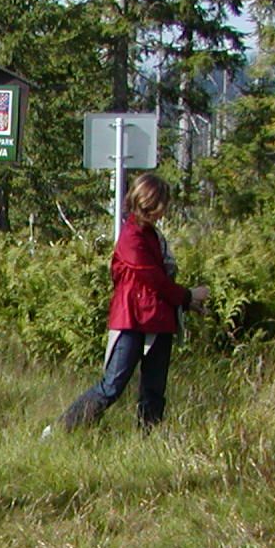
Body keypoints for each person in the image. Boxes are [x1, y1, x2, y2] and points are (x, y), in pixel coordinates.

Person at [53, 173, 209, 432]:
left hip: (159, 319)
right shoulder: (131, 237)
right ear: (149, 202)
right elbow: (154, 279)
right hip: (131, 319)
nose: (164, 210)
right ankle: (63, 429)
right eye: (161, 204)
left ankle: (148, 439)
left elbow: (160, 281)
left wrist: (184, 302)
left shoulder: (151, 235)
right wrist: (188, 296)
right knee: (112, 385)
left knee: (153, 390)